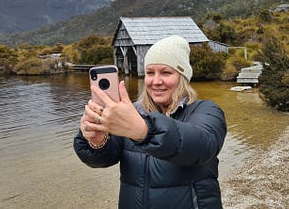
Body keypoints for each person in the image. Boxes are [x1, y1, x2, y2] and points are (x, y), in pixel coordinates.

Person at [74, 35, 227, 208]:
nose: (155, 81)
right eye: (150, 73)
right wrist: (96, 142)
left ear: (183, 77)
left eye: (166, 72)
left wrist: (144, 131)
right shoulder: (132, 114)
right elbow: (103, 159)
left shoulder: (207, 110)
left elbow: (202, 146)